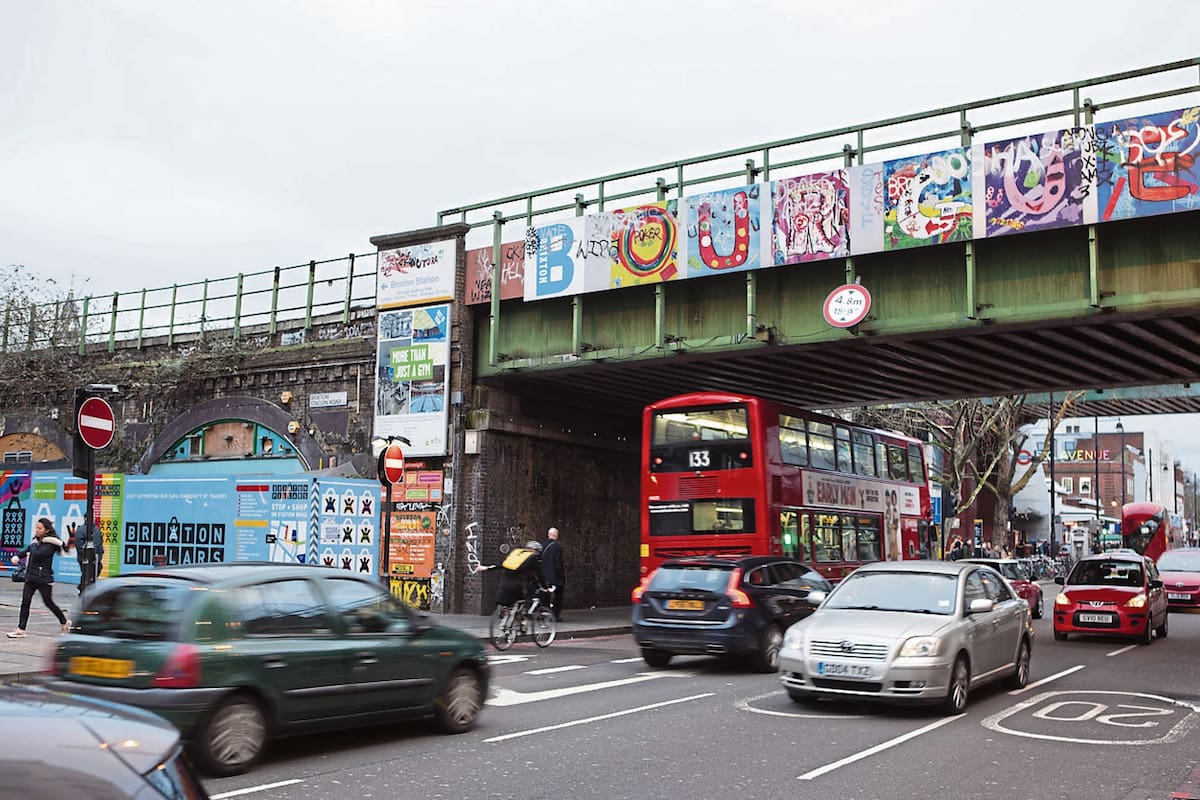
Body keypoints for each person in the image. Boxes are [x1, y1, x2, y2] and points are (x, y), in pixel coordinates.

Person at [8, 518, 70, 638]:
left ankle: (64, 621)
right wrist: (17, 556)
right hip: (31, 577)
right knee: (25, 602)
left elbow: (37, 553)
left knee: (48, 602)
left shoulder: (50, 544)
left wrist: (33, 546)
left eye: (40, 528)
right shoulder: (36, 543)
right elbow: (26, 551)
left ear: (46, 530)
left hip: (44, 578)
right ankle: (21, 629)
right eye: (36, 528)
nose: (37, 530)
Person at [475, 540, 548, 610]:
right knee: (531, 595)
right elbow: (539, 574)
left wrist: (486, 568)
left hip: (505, 583)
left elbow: (502, 564)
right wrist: (545, 587)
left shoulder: (517, 553)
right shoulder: (534, 557)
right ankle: (526, 615)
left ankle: (508, 612)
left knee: (512, 601)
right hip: (520, 585)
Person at [541, 527, 566, 621]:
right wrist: (561, 576)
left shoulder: (542, 546)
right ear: (556, 535)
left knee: (545, 596)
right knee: (558, 596)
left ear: (548, 535)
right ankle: (555, 615)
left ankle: (544, 613)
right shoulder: (556, 547)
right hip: (554, 577)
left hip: (543, 577)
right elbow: (558, 563)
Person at [74, 520, 105, 595]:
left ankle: (84, 588)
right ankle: (83, 590)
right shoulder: (81, 530)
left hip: (96, 557)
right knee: (87, 573)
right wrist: (86, 555)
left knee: (95, 571)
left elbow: (100, 541)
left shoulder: (96, 529)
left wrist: (100, 552)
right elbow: (79, 544)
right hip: (85, 558)